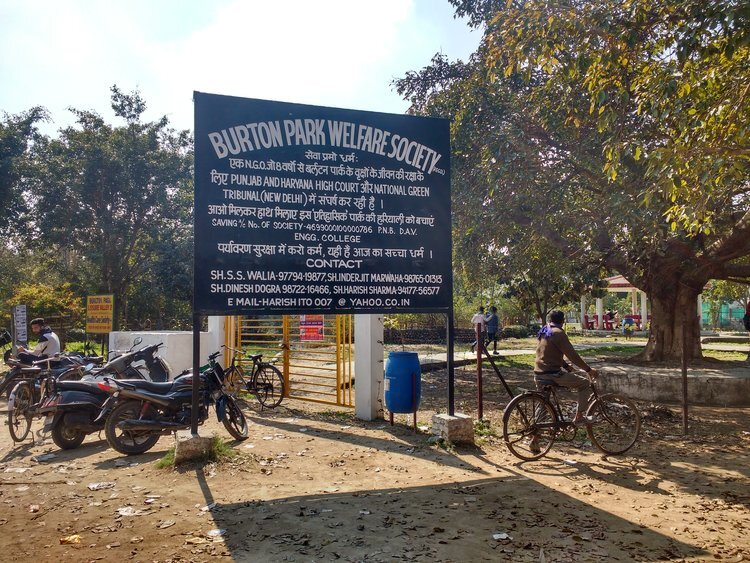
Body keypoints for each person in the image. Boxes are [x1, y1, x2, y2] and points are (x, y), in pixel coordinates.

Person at [534, 310, 599, 426]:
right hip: (552, 373)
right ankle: (579, 417)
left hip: (538, 372)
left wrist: (566, 366)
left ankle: (535, 434)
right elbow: (573, 356)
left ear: (550, 320)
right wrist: (589, 370)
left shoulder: (544, 331)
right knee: (584, 384)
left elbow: (550, 353)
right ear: (563, 321)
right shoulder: (559, 333)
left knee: (543, 402)